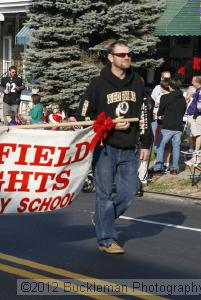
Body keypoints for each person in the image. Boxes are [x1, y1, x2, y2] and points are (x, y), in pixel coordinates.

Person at [78, 40, 152, 254]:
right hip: (105, 147)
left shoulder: (136, 82)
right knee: (103, 195)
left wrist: (146, 142)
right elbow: (83, 115)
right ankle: (107, 240)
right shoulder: (97, 84)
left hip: (129, 148)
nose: (127, 57)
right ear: (110, 57)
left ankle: (101, 217)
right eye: (122, 55)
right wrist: (109, 123)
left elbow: (144, 114)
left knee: (128, 194)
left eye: (129, 54)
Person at [152, 79, 187, 176]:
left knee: (160, 146)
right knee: (176, 148)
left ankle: (158, 168)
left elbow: (160, 112)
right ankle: (174, 169)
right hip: (178, 126)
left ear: (170, 87)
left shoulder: (165, 97)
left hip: (167, 126)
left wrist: (161, 115)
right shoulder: (182, 98)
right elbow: (183, 111)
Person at [186, 76, 201, 152]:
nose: (192, 82)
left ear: (197, 82)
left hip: (198, 116)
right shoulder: (200, 90)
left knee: (197, 134)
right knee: (192, 133)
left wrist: (196, 114)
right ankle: (192, 149)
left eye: (193, 81)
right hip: (194, 115)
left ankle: (196, 153)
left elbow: (199, 105)